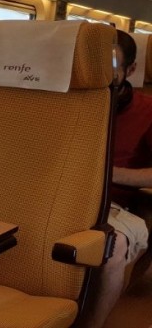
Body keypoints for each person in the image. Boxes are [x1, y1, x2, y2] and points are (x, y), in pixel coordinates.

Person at [82, 30, 151, 328]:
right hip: (61, 196)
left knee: (113, 247)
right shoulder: (68, 99)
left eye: (109, 66)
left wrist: (105, 173)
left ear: (131, 71)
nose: (99, 74)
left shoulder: (148, 111)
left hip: (114, 205)